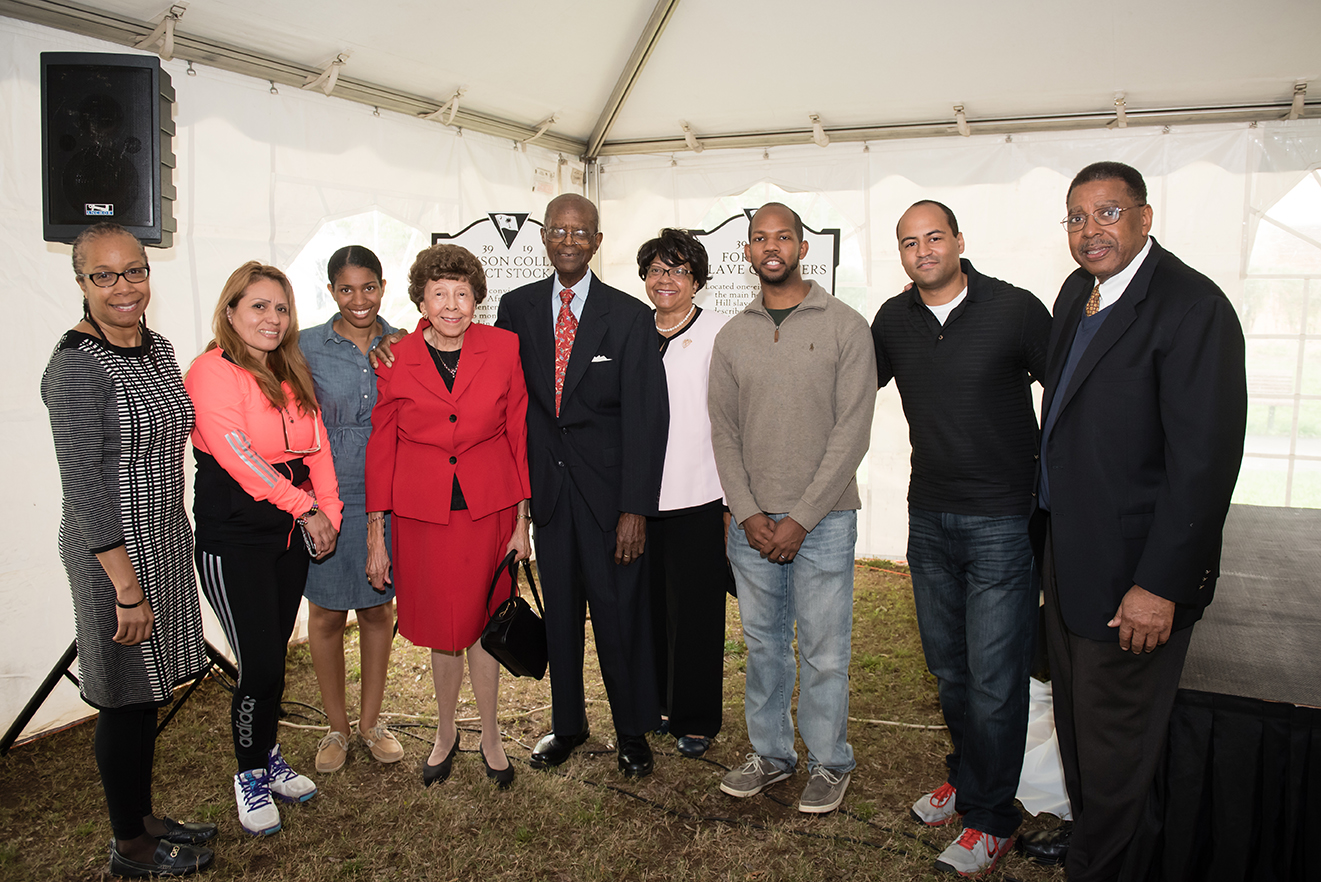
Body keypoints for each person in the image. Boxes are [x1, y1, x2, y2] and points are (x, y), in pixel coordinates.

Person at [1021, 162, 1246, 880]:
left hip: (1134, 571)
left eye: (1108, 213)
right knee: (1080, 726)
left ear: (1144, 218)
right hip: (1069, 549)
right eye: (1077, 218)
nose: (1091, 231)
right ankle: (1095, 839)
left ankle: (1103, 865)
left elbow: (1202, 464)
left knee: (1116, 738)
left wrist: (1159, 585)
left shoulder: (1189, 307)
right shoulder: (1076, 294)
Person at [871, 201, 1050, 875]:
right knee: (950, 672)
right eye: (908, 242)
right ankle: (968, 776)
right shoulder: (892, 320)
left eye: (933, 237)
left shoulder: (1014, 309)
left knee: (996, 682)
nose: (922, 251)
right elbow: (847, 389)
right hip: (929, 520)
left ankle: (992, 818)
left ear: (957, 242)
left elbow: (1068, 394)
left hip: (1003, 522)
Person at [41, 222, 215, 877]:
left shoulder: (158, 345)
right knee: (121, 696)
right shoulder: (75, 367)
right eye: (104, 275)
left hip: (163, 540)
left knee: (148, 695)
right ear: (81, 282)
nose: (123, 287)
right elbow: (84, 487)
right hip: (109, 555)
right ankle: (130, 848)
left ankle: (144, 817)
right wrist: (125, 587)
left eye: (134, 271)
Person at [709, 202, 876, 814]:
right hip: (752, 525)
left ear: (805, 248)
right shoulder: (732, 336)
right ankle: (773, 754)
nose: (771, 246)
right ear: (747, 252)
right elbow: (723, 433)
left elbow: (852, 432)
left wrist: (800, 519)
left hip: (825, 521)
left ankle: (831, 761)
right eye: (759, 238)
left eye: (783, 237)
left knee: (825, 650)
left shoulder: (846, 326)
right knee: (763, 645)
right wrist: (749, 512)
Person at [495, 194, 669, 778]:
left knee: (620, 616)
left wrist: (636, 509)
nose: (568, 240)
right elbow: (498, 388)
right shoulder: (515, 308)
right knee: (562, 615)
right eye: (558, 230)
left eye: (581, 232)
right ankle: (567, 724)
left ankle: (631, 730)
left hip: (612, 501)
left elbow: (649, 419)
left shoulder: (629, 316)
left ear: (597, 241)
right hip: (550, 495)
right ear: (544, 237)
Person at [186, 261, 344, 836]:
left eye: (280, 308)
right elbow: (238, 457)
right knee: (259, 663)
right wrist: (307, 510)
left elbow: (318, 446)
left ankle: (268, 757)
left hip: (289, 539)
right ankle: (250, 773)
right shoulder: (211, 370)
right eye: (258, 306)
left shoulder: (289, 369)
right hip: (237, 542)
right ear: (230, 312)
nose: (272, 318)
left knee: (274, 657)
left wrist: (330, 511)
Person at [365, 244, 531, 790]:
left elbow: (518, 433)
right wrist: (376, 534)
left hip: (491, 508)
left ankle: (490, 734)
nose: (452, 305)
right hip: (423, 516)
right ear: (421, 300)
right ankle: (443, 733)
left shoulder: (504, 347)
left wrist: (522, 521)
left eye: (463, 293)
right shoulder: (396, 356)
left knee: (486, 623)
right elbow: (383, 444)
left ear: (477, 299)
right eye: (440, 294)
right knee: (443, 630)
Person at [299, 246, 404, 774]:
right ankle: (336, 727)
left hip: (389, 495)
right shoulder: (305, 347)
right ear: (331, 291)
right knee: (325, 613)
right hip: (327, 495)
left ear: (383, 286)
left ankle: (371, 723)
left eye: (368, 287)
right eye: (346, 289)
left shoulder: (406, 344)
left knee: (377, 608)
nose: (358, 299)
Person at [636, 228, 731, 759]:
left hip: (700, 494)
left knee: (696, 612)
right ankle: (655, 706)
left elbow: (732, 416)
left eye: (677, 270)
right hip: (642, 501)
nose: (664, 279)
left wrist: (730, 499)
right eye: (655, 269)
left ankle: (695, 717)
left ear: (696, 279)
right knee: (646, 610)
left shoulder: (721, 332)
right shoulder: (632, 331)